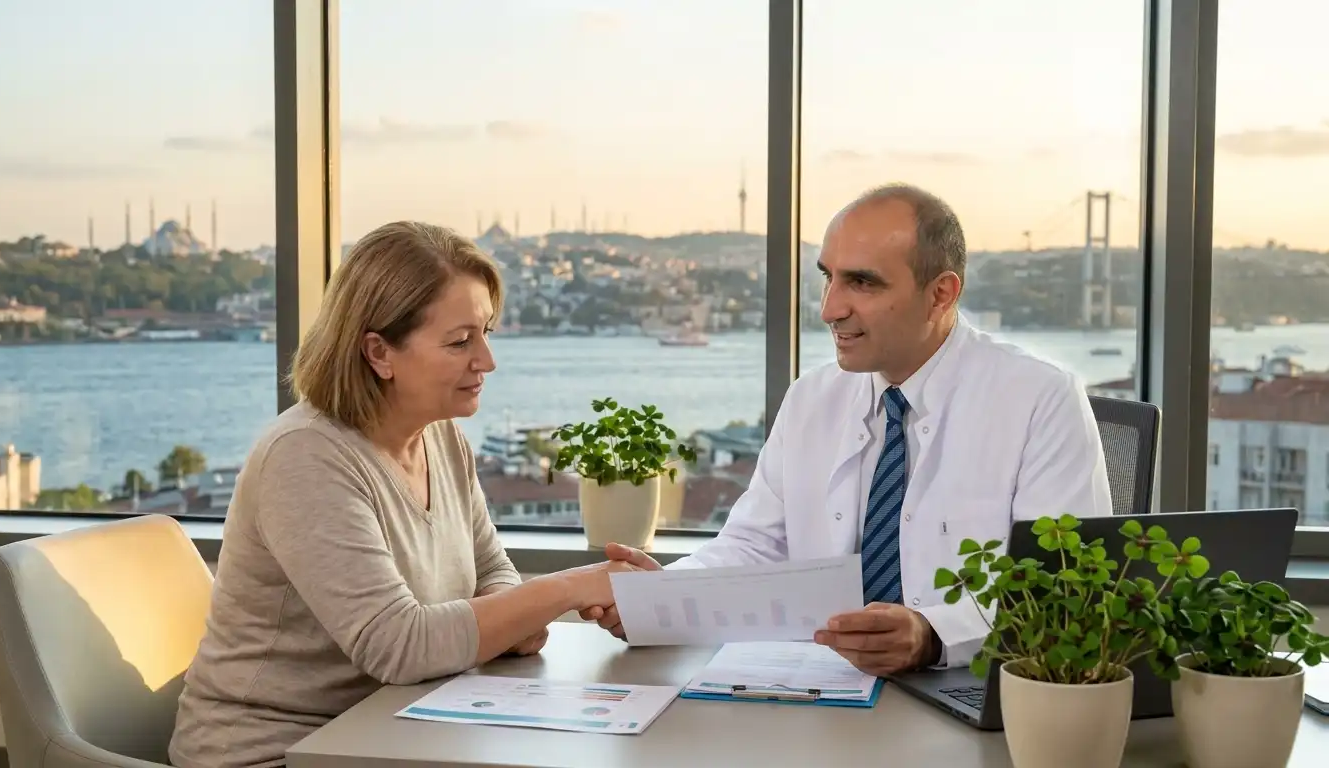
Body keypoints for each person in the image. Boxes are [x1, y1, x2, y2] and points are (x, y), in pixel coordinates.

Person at [584, 183, 1111, 676]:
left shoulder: (1040, 399)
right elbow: (755, 546)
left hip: (972, 690)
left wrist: (932, 635)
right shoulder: (811, 398)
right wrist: (661, 596)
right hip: (825, 686)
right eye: (828, 277)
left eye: (861, 282)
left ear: (940, 295)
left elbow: (1063, 593)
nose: (829, 309)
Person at [169, 222, 641, 768]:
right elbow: (397, 646)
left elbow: (491, 570)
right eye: (460, 341)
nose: (487, 360)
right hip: (274, 753)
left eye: (486, 333)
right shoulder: (305, 456)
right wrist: (570, 588)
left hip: (395, 733)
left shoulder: (441, 438)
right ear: (379, 352)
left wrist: (514, 623)